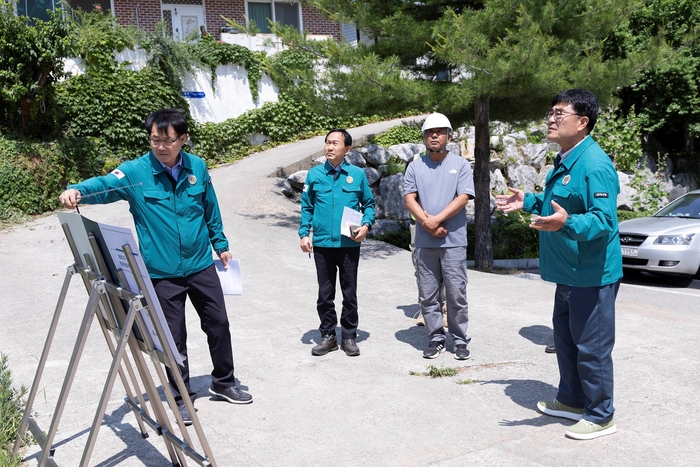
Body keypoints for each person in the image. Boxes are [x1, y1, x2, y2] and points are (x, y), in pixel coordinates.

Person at [59, 108, 252, 426]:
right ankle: (180, 397)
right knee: (173, 338)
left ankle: (224, 382)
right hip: (161, 272)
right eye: (154, 140)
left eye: (167, 140)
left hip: (200, 264)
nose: (160, 146)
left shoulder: (197, 167)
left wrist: (221, 244)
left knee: (218, 324)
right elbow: (104, 185)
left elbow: (210, 209)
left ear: (183, 139)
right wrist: (77, 190)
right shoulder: (136, 172)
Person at [496, 89, 622, 440]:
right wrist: (530, 200)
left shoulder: (594, 164)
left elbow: (603, 221)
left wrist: (566, 224)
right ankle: (571, 400)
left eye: (559, 113)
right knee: (566, 343)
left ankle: (601, 415)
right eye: (550, 112)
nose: (551, 119)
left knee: (592, 348)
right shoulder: (567, 158)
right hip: (567, 271)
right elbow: (560, 203)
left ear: (582, 122)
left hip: (591, 274)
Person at [403, 113, 475, 360]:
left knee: (456, 292)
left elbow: (463, 198)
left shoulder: (461, 164)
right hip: (425, 241)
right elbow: (409, 198)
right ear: (424, 137)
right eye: (430, 132)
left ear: (449, 137)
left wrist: (435, 220)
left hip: (454, 241)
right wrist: (428, 224)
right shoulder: (415, 166)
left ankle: (460, 339)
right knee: (428, 294)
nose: (434, 136)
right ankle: (435, 338)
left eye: (440, 132)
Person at [299, 129, 375, 357]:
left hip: (349, 244)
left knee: (349, 293)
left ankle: (349, 336)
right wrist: (304, 234)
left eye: (335, 143)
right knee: (325, 294)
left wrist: (366, 226)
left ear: (347, 149)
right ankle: (328, 336)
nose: (330, 147)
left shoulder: (357, 175)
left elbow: (369, 205)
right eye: (327, 143)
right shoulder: (314, 174)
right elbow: (306, 207)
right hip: (322, 244)